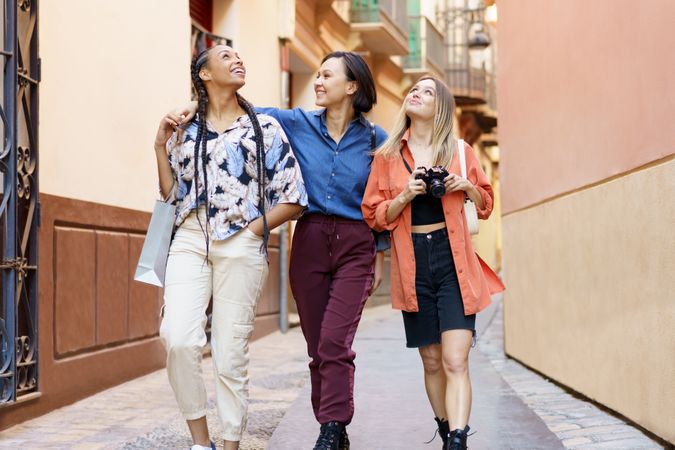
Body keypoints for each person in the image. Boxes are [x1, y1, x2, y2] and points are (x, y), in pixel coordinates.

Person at [173, 51, 388, 450]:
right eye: (318, 74)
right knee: (316, 345)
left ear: (352, 86)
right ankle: (333, 425)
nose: (319, 82)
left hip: (356, 242)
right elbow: (240, 111)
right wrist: (193, 103)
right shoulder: (297, 123)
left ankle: (331, 426)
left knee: (334, 342)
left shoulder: (378, 140)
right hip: (309, 239)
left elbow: (384, 198)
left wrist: (379, 252)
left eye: (327, 76)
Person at [153, 44, 307, 450]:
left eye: (240, 54)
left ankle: (231, 443)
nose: (237, 59)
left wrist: (254, 230)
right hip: (189, 237)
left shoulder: (265, 129)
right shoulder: (184, 127)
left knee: (230, 354)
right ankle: (200, 442)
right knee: (179, 338)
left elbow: (294, 196)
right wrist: (159, 146)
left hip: (241, 241)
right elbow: (171, 196)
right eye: (225, 55)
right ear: (204, 75)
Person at [362, 75, 504, 450]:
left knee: (456, 359)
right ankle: (445, 430)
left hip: (454, 259)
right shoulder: (387, 157)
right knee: (431, 360)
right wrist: (404, 196)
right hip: (414, 263)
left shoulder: (460, 151)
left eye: (427, 91)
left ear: (440, 107)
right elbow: (374, 215)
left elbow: (486, 204)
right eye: (414, 88)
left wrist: (465, 186)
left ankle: (458, 440)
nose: (416, 93)